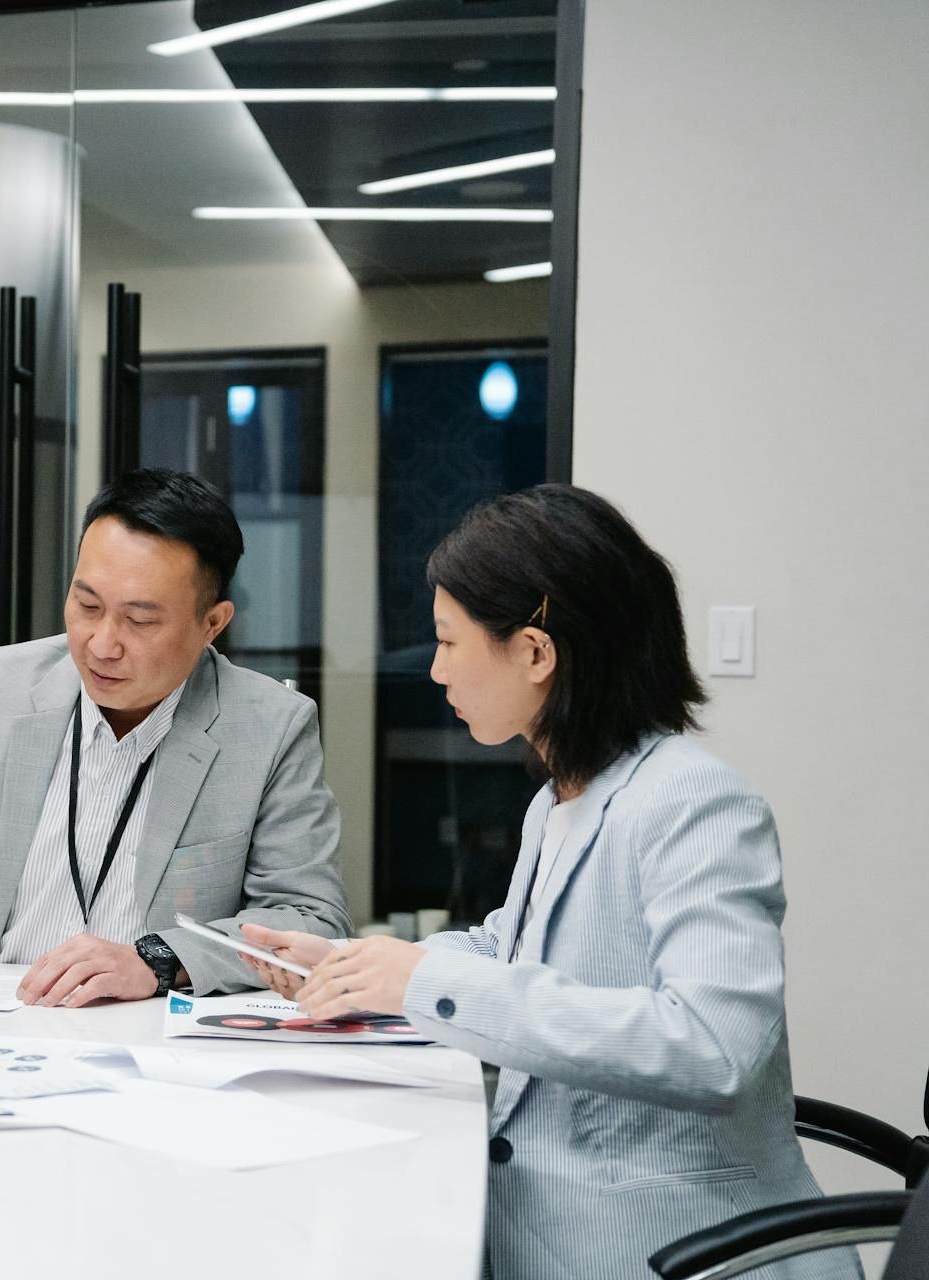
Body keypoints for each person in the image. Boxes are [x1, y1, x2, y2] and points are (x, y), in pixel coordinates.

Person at [240, 485, 857, 1280]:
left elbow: (714, 1047)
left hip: (681, 1251)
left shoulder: (693, 799)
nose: (434, 670)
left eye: (449, 642)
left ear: (535, 652)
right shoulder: (558, 800)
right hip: (550, 1227)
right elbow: (516, 945)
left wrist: (427, 982)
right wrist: (358, 965)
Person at [0, 468, 349, 1004]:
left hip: (146, 1032)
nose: (102, 644)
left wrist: (158, 960)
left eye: (140, 621)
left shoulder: (271, 727)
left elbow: (308, 917)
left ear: (213, 623)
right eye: (87, 606)